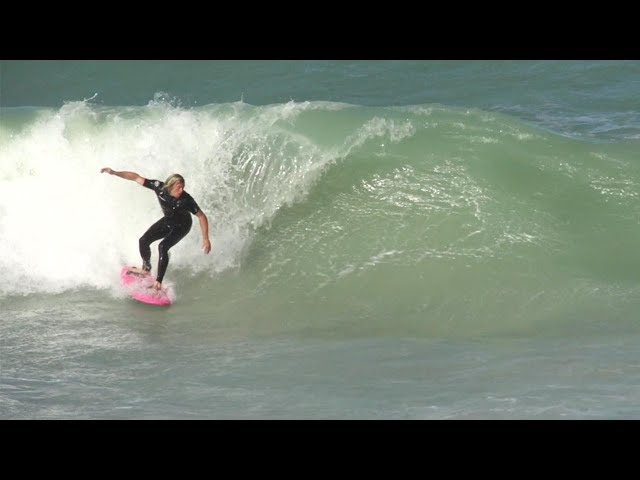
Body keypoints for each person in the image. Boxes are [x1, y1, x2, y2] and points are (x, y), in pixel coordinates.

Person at [100, 167, 211, 290]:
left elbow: (201, 216)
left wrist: (206, 239)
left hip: (182, 226)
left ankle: (158, 282)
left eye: (183, 187)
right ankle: (146, 270)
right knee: (143, 240)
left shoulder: (186, 200)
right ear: (170, 186)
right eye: (178, 187)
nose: (181, 190)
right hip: (168, 221)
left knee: (163, 246)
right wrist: (115, 173)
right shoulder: (159, 187)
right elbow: (136, 177)